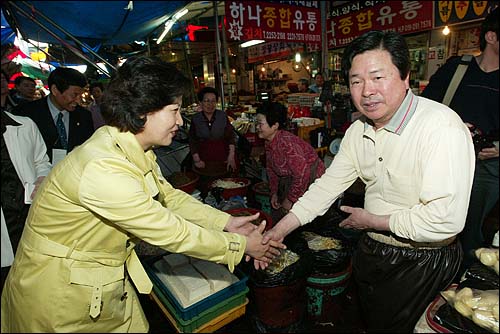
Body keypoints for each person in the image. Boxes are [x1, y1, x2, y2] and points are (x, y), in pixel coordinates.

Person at [0, 57, 284, 333]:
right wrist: (239, 245)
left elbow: (167, 197)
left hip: (99, 284)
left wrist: (224, 222)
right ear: (141, 112)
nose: (180, 122)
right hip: (60, 297)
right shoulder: (103, 167)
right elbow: (168, 230)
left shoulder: (125, 146)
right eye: (174, 110)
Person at [261, 30, 476, 332]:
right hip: (373, 251)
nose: (367, 91)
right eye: (356, 81)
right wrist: (280, 230)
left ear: (405, 77)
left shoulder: (441, 128)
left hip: (423, 262)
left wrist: (372, 220)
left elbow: (445, 219)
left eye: (378, 77)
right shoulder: (357, 131)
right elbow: (326, 186)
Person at [421, 7, 499, 273]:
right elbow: (423, 107)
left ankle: (466, 281)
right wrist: (451, 126)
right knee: (434, 218)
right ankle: (433, 273)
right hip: (445, 160)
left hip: (487, 167)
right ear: (491, 37)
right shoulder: (458, 68)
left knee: (470, 227)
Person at [1, 70, 51, 292]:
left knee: (31, 285)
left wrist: (42, 179)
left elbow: (42, 161)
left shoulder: (24, 125)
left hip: (26, 216)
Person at [256, 101, 326, 222]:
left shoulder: (287, 143)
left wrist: (290, 199)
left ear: (275, 126)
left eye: (260, 124)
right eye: (256, 124)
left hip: (311, 182)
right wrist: (274, 193)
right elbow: (271, 170)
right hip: (292, 181)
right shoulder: (269, 142)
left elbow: (302, 174)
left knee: (304, 222)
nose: (257, 127)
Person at [13, 67, 94, 164]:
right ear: (55, 90)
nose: (78, 100)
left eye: (80, 95)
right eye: (74, 95)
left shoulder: (84, 116)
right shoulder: (27, 114)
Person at [189, 86, 238, 194]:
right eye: (206, 101)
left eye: (213, 101)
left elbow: (230, 136)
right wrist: (196, 159)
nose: (210, 104)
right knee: (205, 187)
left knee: (223, 186)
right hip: (203, 160)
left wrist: (231, 156)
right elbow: (192, 140)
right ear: (200, 103)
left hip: (222, 158)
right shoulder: (196, 119)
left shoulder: (222, 116)